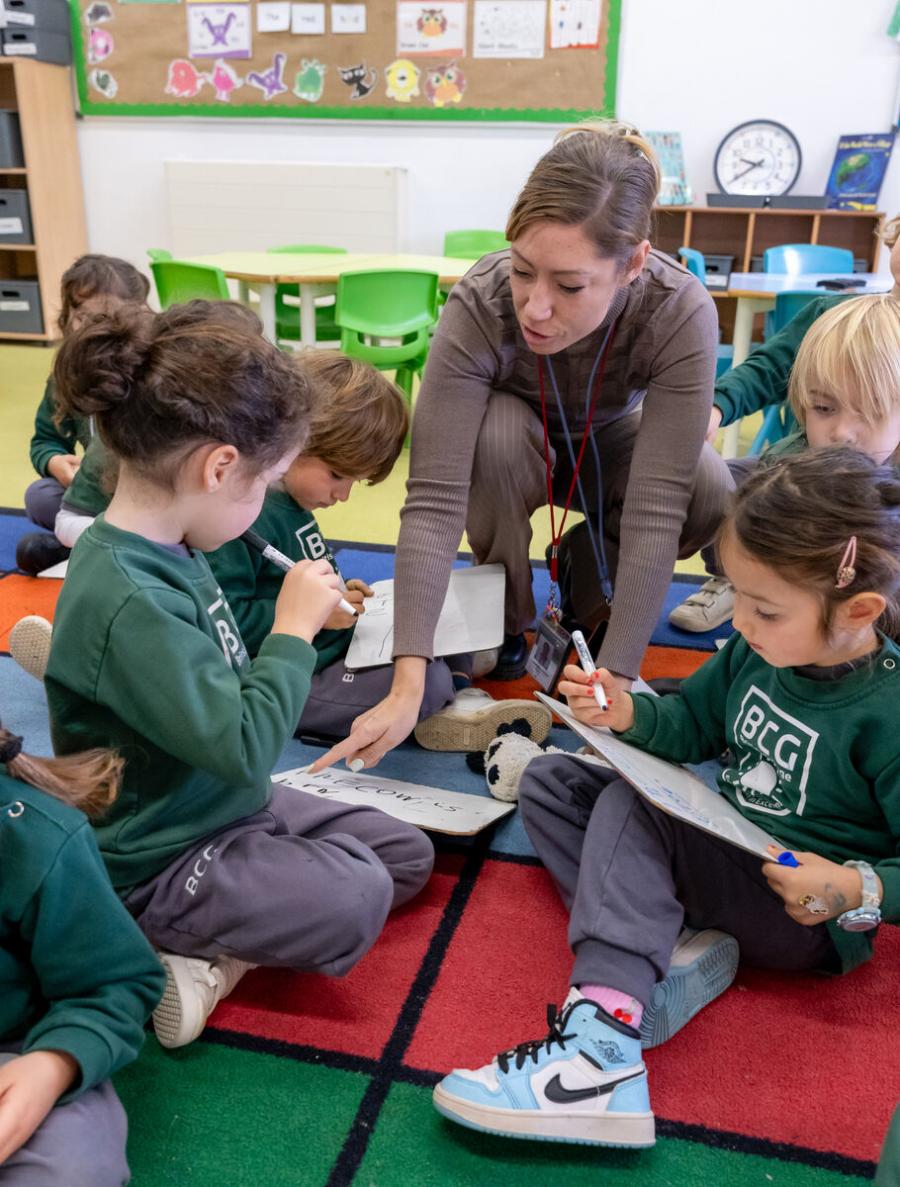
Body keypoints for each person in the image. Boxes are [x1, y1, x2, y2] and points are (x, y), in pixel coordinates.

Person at [433, 447, 900, 1148]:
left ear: (859, 610)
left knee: (633, 809)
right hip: (727, 845)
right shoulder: (755, 649)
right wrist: (626, 715)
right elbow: (693, 726)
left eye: (764, 608)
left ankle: (601, 1055)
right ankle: (666, 944)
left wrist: (847, 886)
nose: (737, 621)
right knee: (554, 782)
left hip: (801, 911)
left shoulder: (888, 708)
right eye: (735, 595)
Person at [44, 300, 435, 1052]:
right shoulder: (130, 596)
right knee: (358, 896)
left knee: (407, 855)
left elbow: (226, 710)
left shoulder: (174, 545)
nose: (265, 506)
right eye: (267, 483)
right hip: (158, 854)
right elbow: (247, 745)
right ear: (220, 467)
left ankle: (219, 953)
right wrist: (291, 630)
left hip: (222, 805)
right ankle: (162, 942)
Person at [313, 120, 732, 775]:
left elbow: (657, 506)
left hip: (609, 443)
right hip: (515, 442)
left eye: (569, 286)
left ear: (632, 265)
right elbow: (431, 502)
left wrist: (618, 675)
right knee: (499, 437)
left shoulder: (680, 310)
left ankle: (591, 578)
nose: (536, 307)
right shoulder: (480, 302)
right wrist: (407, 681)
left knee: (708, 486)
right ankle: (507, 618)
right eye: (523, 271)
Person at [206, 350, 552, 751]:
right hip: (293, 672)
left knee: (437, 611)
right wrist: (313, 614)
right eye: (337, 475)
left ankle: (451, 691)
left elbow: (292, 575)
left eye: (355, 481)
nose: (343, 494)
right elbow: (224, 623)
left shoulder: (293, 501)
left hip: (338, 643)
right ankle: (446, 699)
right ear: (289, 443)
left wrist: (340, 590)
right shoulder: (241, 517)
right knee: (427, 678)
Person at [671, 213, 900, 632]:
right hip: (790, 469)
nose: (845, 428)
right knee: (712, 489)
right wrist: (717, 405)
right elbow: (769, 366)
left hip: (872, 498)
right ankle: (740, 580)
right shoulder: (836, 316)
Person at [0, 718, 163, 1184]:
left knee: (71, 1167)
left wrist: (52, 1064)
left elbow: (117, 983)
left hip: (22, 1048)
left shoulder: (32, 834)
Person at [17, 254, 150, 576]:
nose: (97, 330)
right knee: (40, 497)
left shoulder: (148, 373)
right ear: (67, 319)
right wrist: (56, 463)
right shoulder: (65, 378)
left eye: (110, 318)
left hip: (147, 492)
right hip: (93, 496)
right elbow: (46, 441)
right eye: (84, 318)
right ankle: (97, 543)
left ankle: (86, 546)